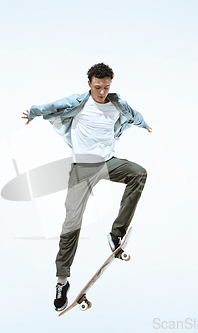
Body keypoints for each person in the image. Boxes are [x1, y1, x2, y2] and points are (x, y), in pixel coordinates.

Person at [21, 63, 152, 311]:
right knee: (72, 222)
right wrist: (34, 113)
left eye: (106, 87)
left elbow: (134, 114)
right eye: (97, 87)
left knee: (138, 173)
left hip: (108, 162)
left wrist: (144, 124)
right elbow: (53, 106)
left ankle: (117, 233)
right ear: (89, 84)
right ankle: (62, 281)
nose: (102, 92)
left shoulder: (117, 105)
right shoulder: (79, 103)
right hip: (82, 168)